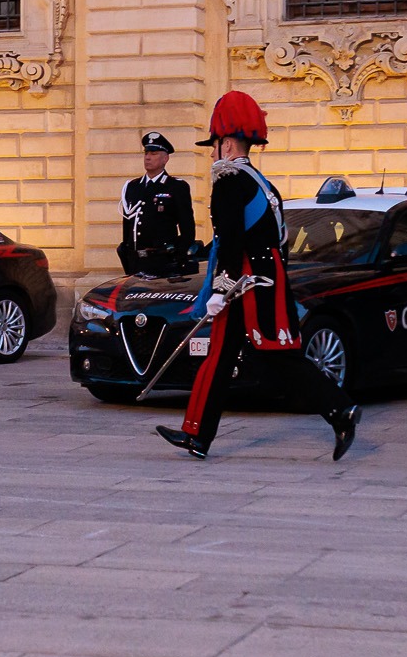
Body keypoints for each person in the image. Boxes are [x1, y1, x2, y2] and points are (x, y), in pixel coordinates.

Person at [156, 91, 360, 462]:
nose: (211, 154)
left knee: (274, 358)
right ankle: (197, 435)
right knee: (224, 355)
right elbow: (277, 238)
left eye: (213, 146)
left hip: (245, 282)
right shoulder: (261, 181)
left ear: (226, 144)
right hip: (263, 277)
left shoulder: (229, 179)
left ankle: (340, 408)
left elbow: (231, 239)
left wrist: (220, 288)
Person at [118, 130, 197, 276]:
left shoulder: (176, 187)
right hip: (136, 262)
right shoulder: (132, 187)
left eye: (153, 153)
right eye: (146, 153)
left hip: (162, 261)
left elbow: (188, 229)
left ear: (165, 158)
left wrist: (178, 257)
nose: (148, 157)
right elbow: (128, 226)